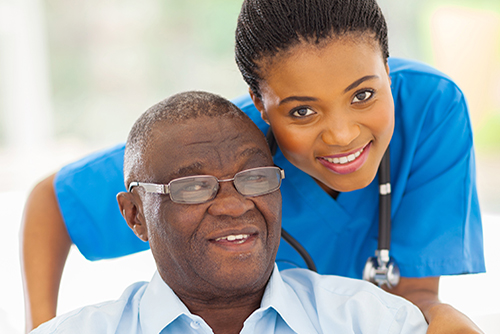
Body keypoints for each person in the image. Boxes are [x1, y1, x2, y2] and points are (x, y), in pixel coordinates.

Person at [21, 0, 485, 333]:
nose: (342, 134)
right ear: (260, 106)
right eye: (302, 111)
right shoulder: (216, 150)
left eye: (364, 94)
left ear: (387, 70)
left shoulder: (429, 108)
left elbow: (415, 296)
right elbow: (54, 202)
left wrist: (440, 321)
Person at [31, 91, 428, 334]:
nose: (235, 204)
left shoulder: (374, 323)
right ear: (135, 215)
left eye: (254, 178)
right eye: (193, 187)